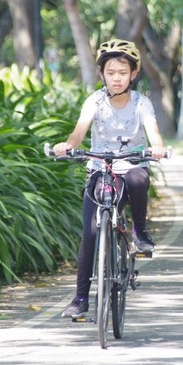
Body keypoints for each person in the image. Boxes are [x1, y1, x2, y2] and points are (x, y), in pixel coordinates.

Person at [52, 39, 166, 318]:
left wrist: (158, 147)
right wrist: (67, 145)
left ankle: (140, 232)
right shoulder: (95, 101)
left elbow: (153, 131)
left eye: (123, 72)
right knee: (90, 233)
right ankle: (80, 299)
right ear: (102, 74)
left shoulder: (142, 103)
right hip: (100, 170)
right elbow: (79, 132)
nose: (117, 78)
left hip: (131, 167)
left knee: (139, 178)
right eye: (111, 72)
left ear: (133, 74)